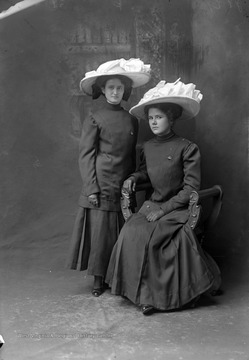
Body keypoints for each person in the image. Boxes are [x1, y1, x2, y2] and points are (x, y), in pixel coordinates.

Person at [105, 79, 221, 315]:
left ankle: (156, 298)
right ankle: (136, 292)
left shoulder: (187, 148)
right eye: (150, 118)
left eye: (159, 117)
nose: (154, 122)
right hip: (152, 205)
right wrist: (134, 178)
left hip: (177, 208)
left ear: (171, 118)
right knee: (131, 231)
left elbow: (190, 189)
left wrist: (164, 209)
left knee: (157, 236)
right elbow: (147, 174)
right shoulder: (147, 147)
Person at [67, 58, 151, 297]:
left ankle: (118, 276)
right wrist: (91, 188)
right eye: (111, 87)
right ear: (103, 90)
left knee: (122, 233)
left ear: (125, 91)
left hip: (123, 185)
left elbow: (130, 158)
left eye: (120, 88)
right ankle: (98, 279)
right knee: (102, 234)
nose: (115, 92)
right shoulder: (94, 117)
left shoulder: (132, 119)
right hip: (101, 184)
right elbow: (86, 155)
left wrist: (133, 182)